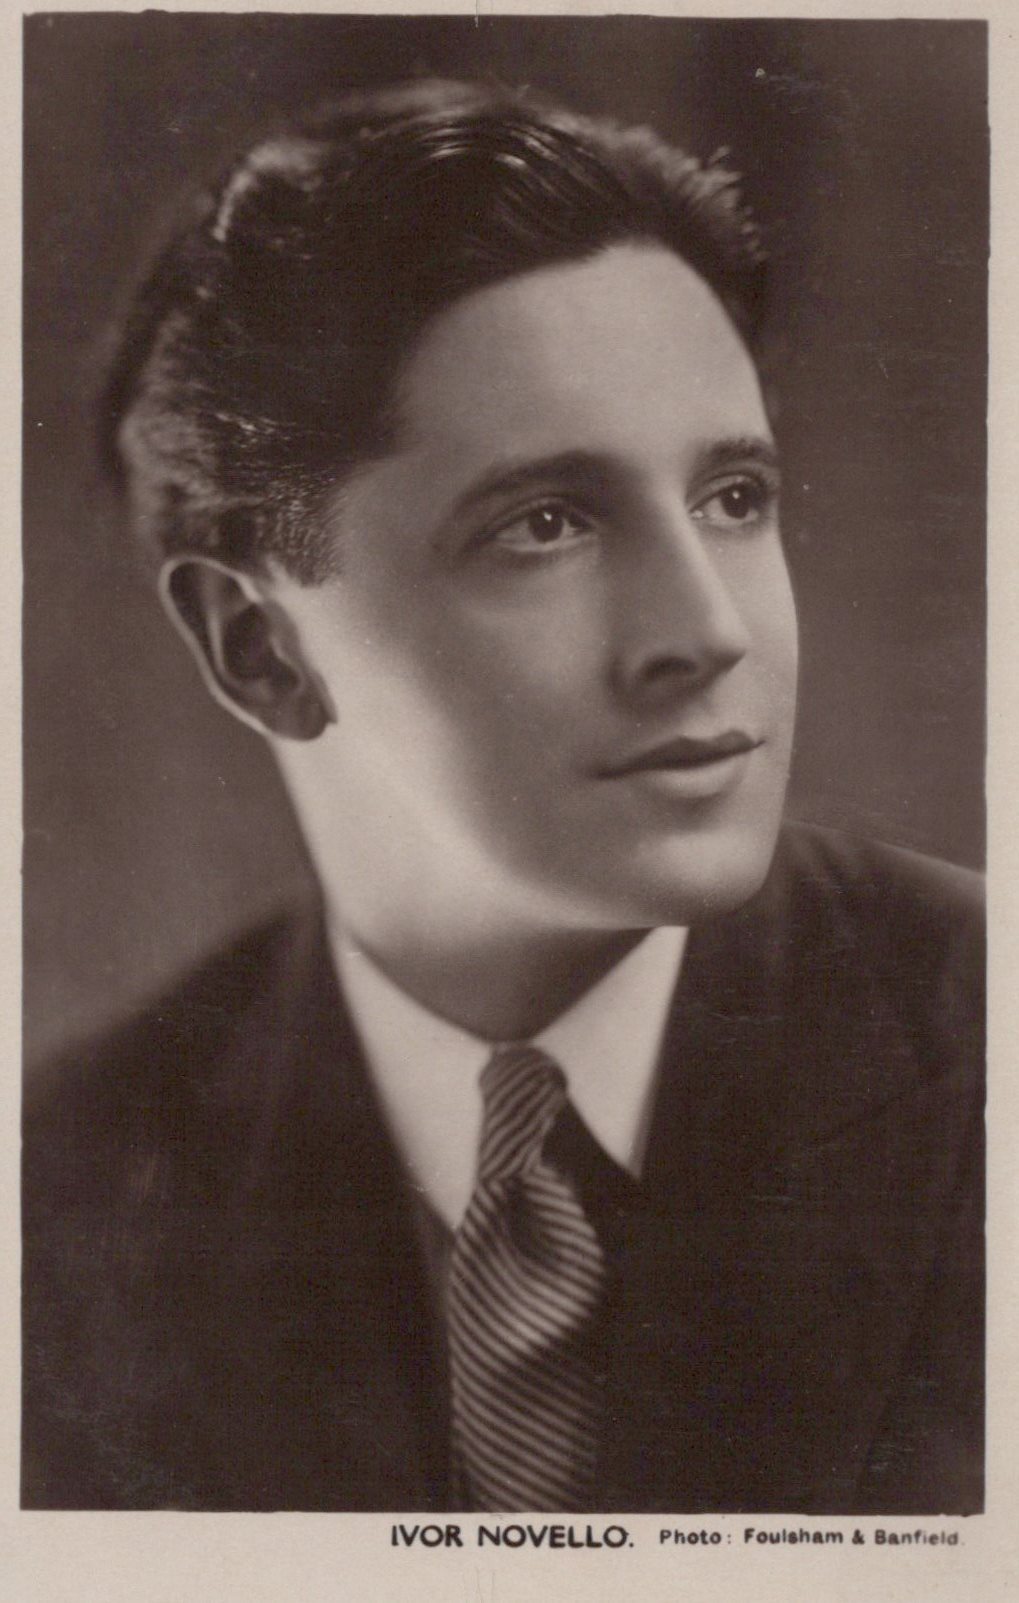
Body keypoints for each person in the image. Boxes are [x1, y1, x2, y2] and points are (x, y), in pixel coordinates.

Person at [22, 78, 984, 1514]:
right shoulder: (58, 1201)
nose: (711, 630)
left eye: (735, 497)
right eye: (545, 524)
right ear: (262, 648)